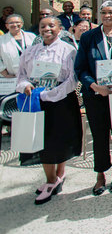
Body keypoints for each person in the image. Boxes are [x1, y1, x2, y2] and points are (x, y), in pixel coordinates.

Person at [16, 16, 82, 204]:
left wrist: (53, 94)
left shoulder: (68, 50)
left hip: (61, 101)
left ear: (59, 29)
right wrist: (26, 86)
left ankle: (59, 175)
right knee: (42, 142)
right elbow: (21, 75)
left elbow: (72, 79)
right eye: (43, 26)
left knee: (60, 140)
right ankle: (50, 179)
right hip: (36, 101)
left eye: (51, 25)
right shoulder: (31, 52)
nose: (47, 29)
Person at [74, 0, 112, 195]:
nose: (107, 15)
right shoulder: (89, 37)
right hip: (96, 94)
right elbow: (80, 68)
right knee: (99, 134)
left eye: (111, 12)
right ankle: (100, 173)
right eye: (103, 12)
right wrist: (94, 86)